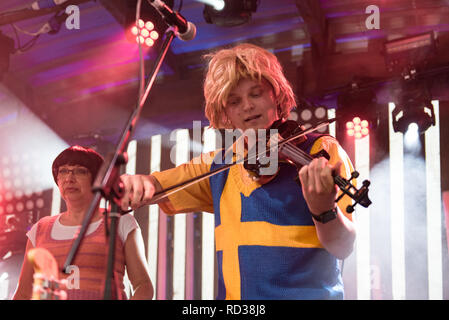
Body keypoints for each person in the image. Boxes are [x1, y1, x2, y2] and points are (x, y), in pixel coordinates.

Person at [120, 43, 356, 299]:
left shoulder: (319, 151)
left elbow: (343, 247)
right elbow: (155, 184)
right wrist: (137, 183)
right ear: (225, 114)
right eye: (234, 101)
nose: (247, 106)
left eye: (256, 94)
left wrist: (324, 209)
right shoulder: (218, 165)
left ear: (276, 96)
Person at [13, 146, 153, 300]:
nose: (69, 178)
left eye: (80, 171)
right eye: (63, 171)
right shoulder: (40, 229)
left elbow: (143, 285)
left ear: (97, 180)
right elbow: (24, 293)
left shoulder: (119, 221)